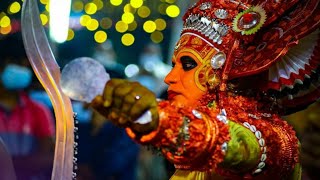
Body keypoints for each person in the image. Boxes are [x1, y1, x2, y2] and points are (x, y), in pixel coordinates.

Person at [91, 0, 320, 179]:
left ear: (223, 73)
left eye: (188, 64)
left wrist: (157, 120)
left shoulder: (277, 142)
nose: (170, 78)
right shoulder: (185, 157)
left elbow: (227, 140)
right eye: (173, 66)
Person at [0, 32, 55, 180]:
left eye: (25, 65)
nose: (23, 70)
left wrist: (6, 163)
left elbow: (48, 158)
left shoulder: (39, 110)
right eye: (16, 63)